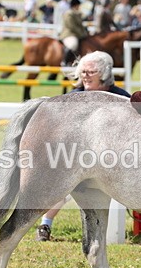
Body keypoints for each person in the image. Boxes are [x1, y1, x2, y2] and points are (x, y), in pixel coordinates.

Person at [35, 51, 130, 241]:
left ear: (103, 73)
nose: (85, 75)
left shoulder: (120, 97)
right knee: (59, 184)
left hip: (111, 159)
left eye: (91, 71)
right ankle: (45, 226)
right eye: (83, 71)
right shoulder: (74, 97)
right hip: (78, 157)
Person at [59, 0, 89, 67]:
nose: (79, 7)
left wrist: (85, 33)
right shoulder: (68, 13)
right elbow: (71, 26)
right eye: (78, 5)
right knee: (73, 44)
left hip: (76, 34)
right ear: (75, 5)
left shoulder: (77, 13)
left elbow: (81, 25)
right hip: (69, 34)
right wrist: (82, 34)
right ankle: (64, 61)